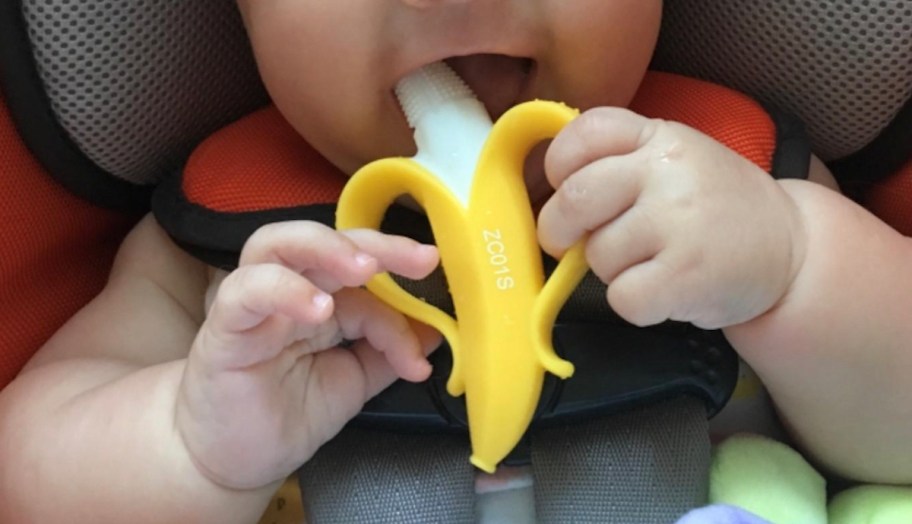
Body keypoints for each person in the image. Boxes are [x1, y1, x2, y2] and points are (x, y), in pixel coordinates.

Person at [1, 0, 910, 521]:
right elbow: (25, 477)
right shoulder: (220, 244)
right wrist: (187, 444)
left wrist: (791, 269)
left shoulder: (741, 179)